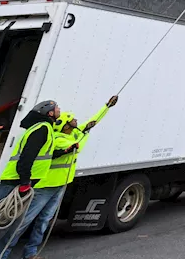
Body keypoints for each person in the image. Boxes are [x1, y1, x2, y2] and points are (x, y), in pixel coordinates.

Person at [7, 97, 117, 259]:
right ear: (66, 123)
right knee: (25, 221)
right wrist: (76, 141)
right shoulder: (58, 139)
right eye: (73, 119)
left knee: (44, 221)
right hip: (44, 187)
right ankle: (3, 252)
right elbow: (64, 148)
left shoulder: (73, 135)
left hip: (60, 186)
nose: (76, 120)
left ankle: (30, 253)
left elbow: (92, 122)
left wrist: (107, 107)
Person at [0, 100, 63, 259]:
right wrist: (25, 183)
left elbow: (46, 155)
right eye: (57, 108)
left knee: (8, 232)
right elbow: (25, 159)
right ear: (50, 113)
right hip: (14, 185)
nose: (59, 110)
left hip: (19, 185)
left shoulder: (45, 129)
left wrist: (66, 150)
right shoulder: (42, 129)